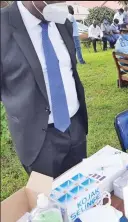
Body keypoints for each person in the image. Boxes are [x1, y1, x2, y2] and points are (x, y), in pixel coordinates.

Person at [1, 1, 88, 178]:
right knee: (48, 201)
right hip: (38, 139)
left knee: (81, 190)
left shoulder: (62, 21)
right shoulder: (3, 25)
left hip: (75, 126)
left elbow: (69, 70)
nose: (59, 4)